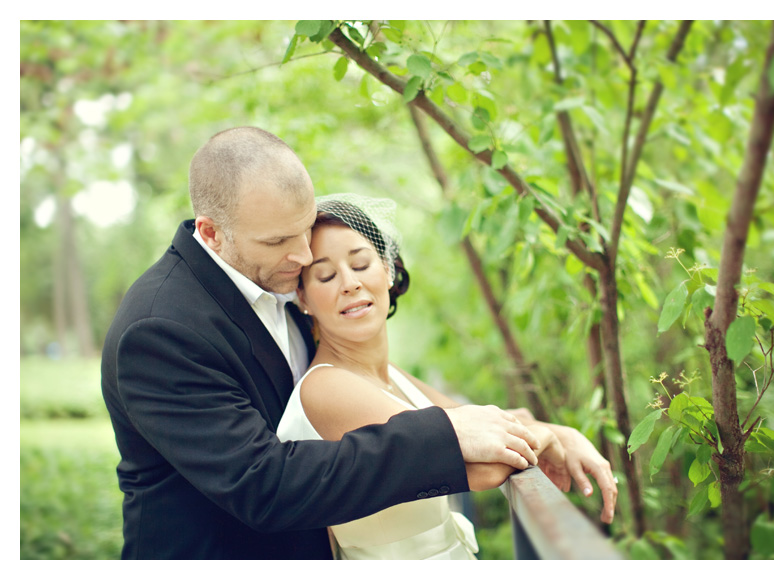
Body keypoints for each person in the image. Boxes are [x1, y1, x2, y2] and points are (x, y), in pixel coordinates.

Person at [100, 127, 543, 559]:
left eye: (305, 228)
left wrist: (554, 433)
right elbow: (262, 484)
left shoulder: (284, 281)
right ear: (212, 233)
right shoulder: (159, 329)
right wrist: (443, 437)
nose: (305, 255)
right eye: (277, 241)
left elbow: (379, 382)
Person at [276, 193, 619, 559]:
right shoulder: (328, 388)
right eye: (326, 275)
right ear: (303, 298)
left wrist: (568, 434)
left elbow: (488, 422)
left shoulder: (391, 377)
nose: (349, 283)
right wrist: (548, 437)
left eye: (361, 265)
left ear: (389, 270)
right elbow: (487, 465)